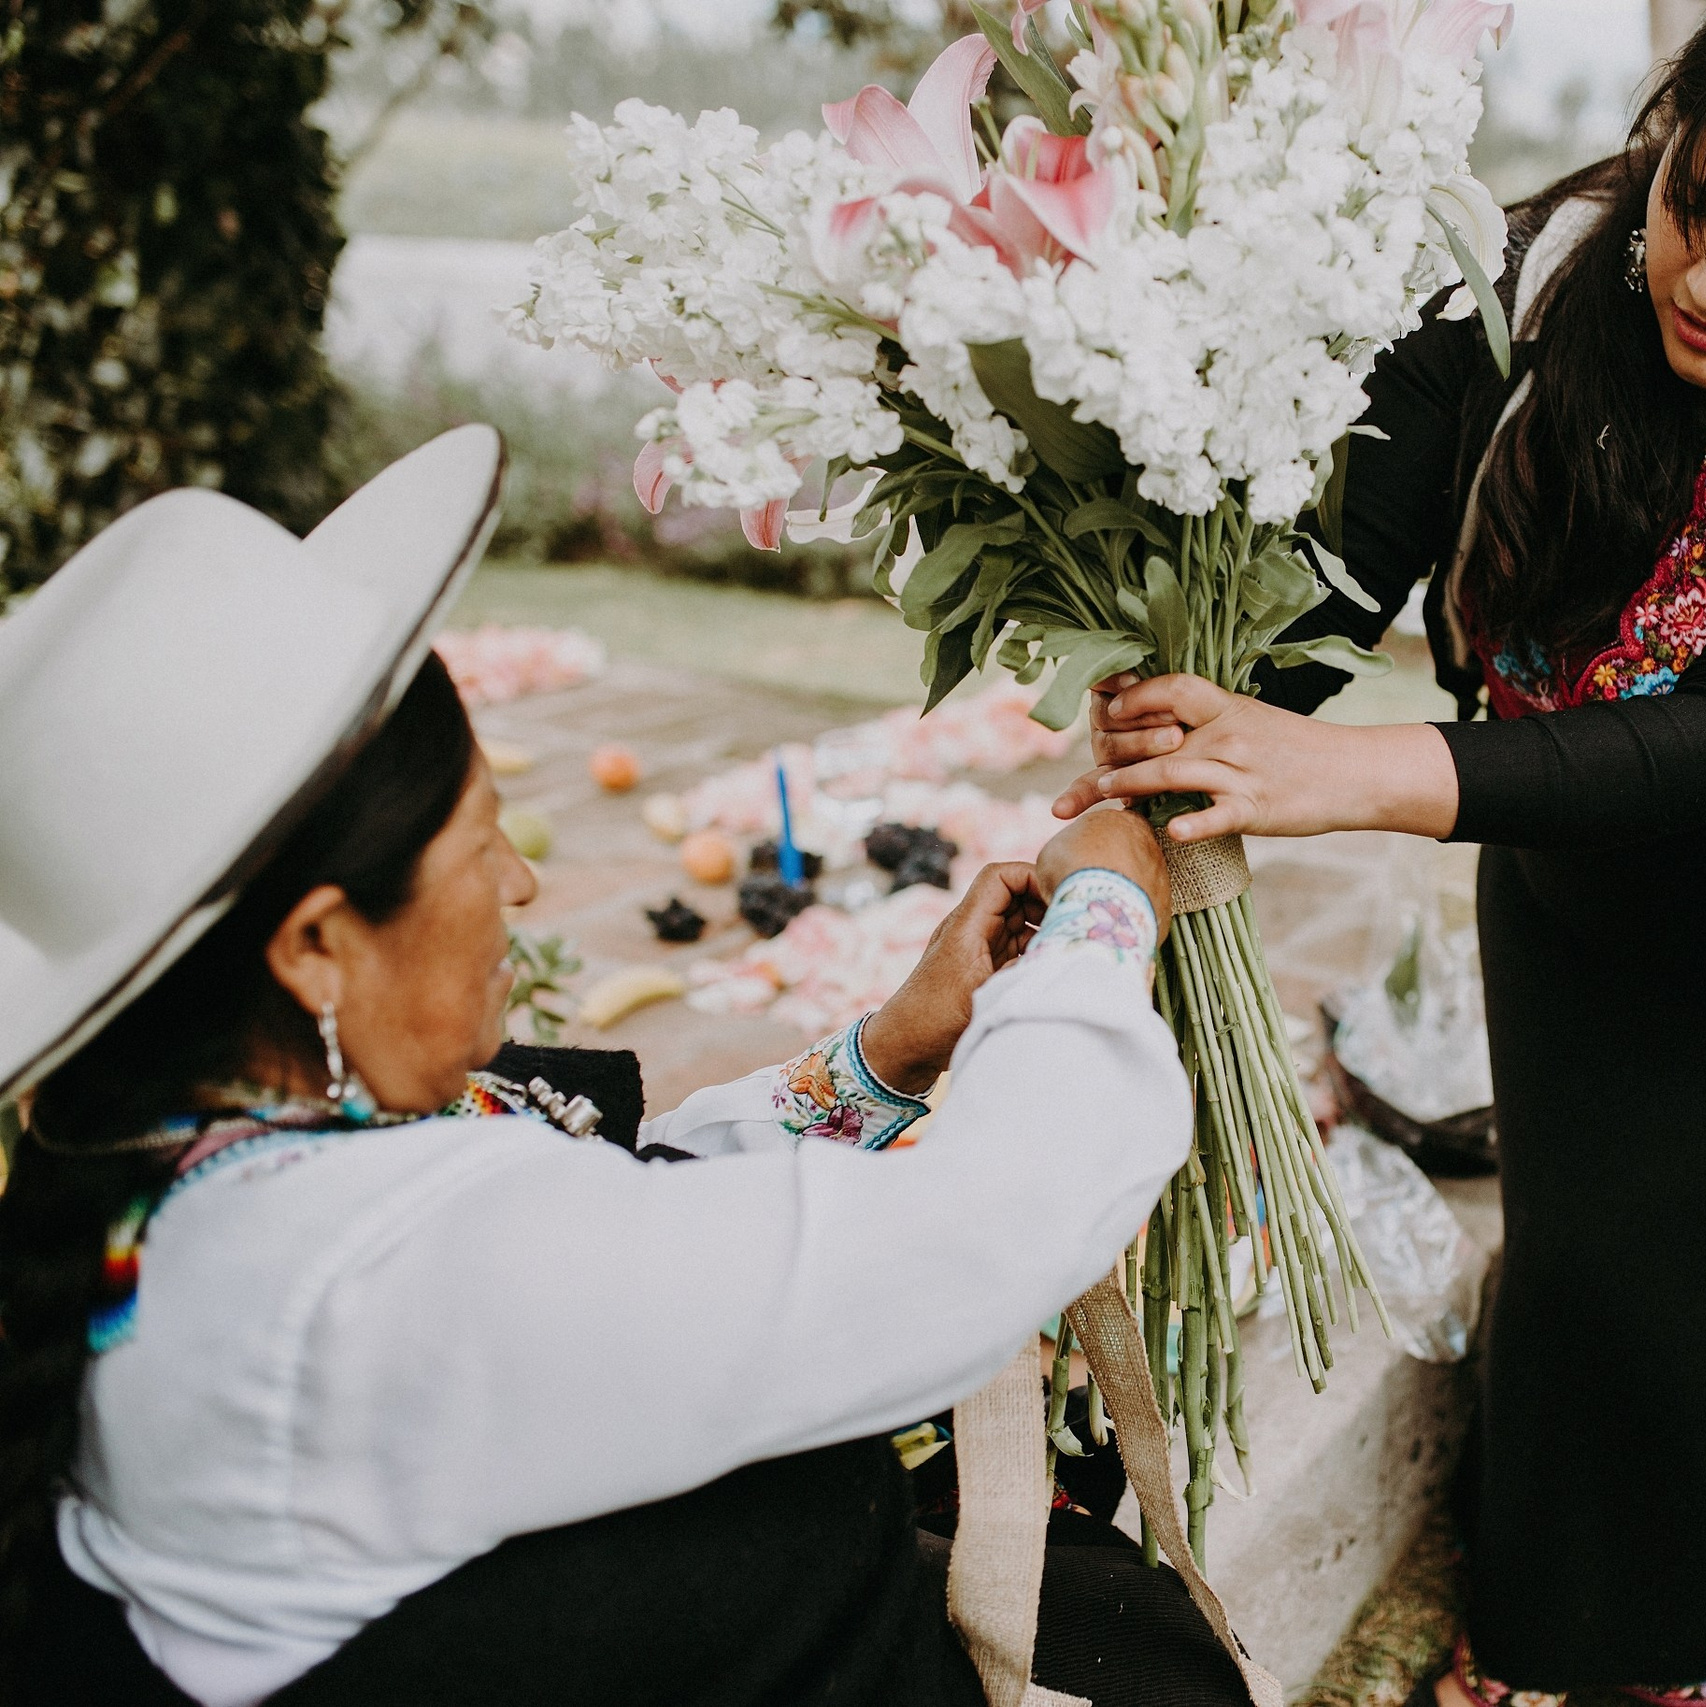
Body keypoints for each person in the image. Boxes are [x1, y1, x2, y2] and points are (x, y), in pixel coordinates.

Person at [1058, 2, 1706, 1699]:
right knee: (1591, 1253)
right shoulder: (1516, 282)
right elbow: (1352, 558)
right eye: (1692, 203)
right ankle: (1548, 1617)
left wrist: (1343, 771)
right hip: (1582, 872)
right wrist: (1220, 716)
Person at [0, 429, 1256, 1707]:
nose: (523, 883)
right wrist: (1106, 908)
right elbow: (985, 1234)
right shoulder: (364, 1295)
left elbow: (629, 1220)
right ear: (319, 944)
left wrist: (887, 1052)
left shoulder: (181, 1162)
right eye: (480, 846)